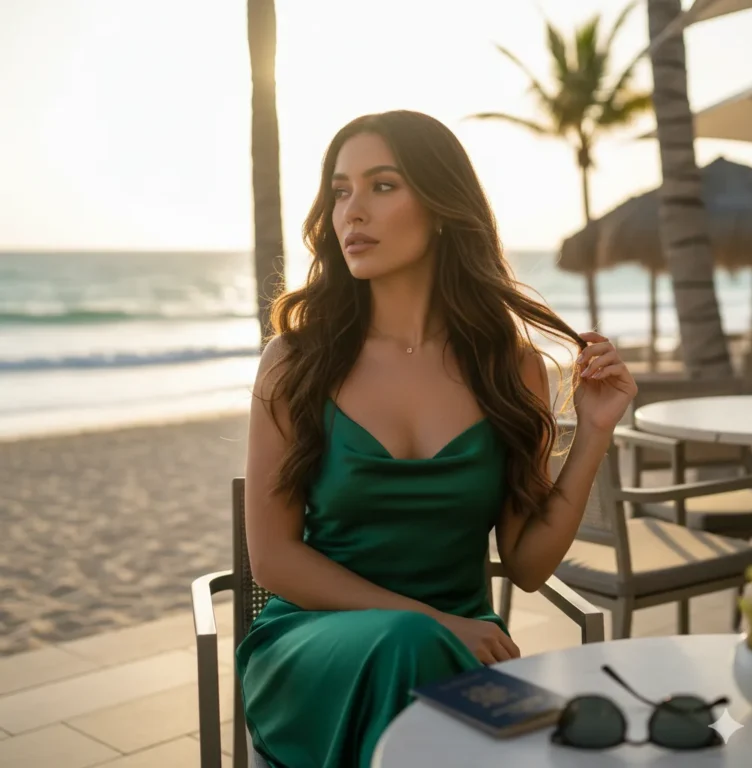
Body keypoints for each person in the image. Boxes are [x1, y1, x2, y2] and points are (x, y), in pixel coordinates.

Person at [235, 109, 638, 768]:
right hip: (314, 646)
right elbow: (275, 560)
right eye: (341, 191)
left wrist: (594, 432)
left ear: (443, 206)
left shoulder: (512, 368)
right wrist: (432, 622)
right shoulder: (294, 360)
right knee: (406, 644)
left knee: (418, 657)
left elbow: (529, 563)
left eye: (382, 185)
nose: (352, 212)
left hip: (457, 651)